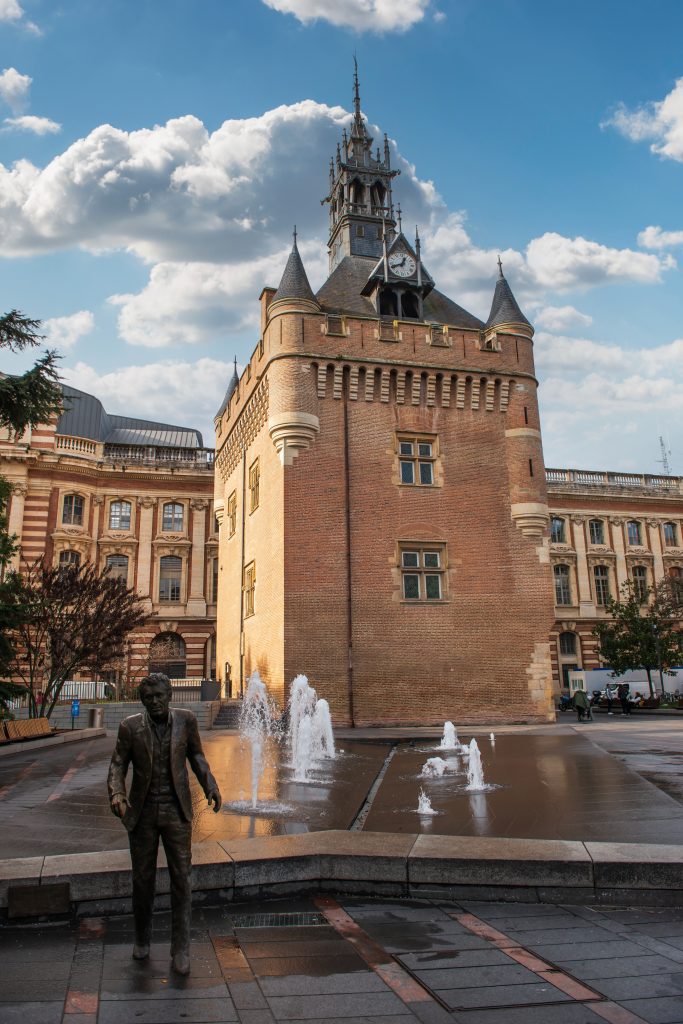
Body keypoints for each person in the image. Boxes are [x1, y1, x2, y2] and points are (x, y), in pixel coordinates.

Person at [107, 673, 221, 975]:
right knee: (141, 881)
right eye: (148, 697)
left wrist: (210, 785)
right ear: (142, 700)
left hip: (176, 810)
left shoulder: (186, 721)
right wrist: (117, 793)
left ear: (169, 696)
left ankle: (180, 948)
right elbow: (118, 764)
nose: (154, 702)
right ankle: (142, 939)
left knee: (182, 879)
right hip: (142, 813)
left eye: (159, 696)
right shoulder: (130, 727)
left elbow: (197, 756)